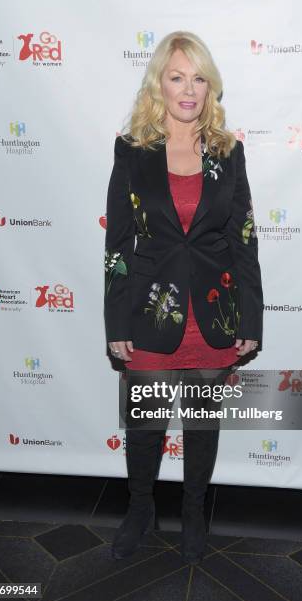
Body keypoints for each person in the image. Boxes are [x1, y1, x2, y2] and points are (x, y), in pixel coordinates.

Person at [104, 31, 264, 565]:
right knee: (145, 425)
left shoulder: (228, 152)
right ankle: (141, 508)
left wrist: (251, 315)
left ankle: (193, 511)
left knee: (201, 426)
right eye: (177, 77)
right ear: (160, 84)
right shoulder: (132, 152)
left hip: (214, 314)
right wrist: (115, 322)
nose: (188, 88)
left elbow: (243, 239)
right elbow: (118, 245)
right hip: (150, 314)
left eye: (198, 77)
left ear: (209, 85)